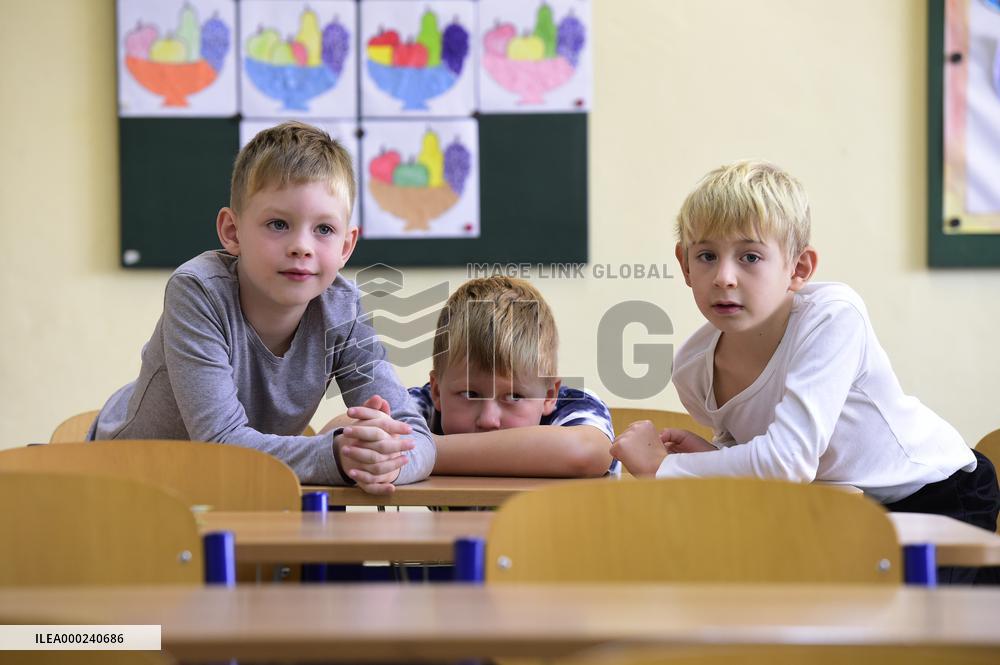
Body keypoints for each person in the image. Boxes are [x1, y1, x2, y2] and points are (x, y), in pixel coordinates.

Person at [611, 160, 998, 542]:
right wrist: (708, 454)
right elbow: (761, 448)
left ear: (798, 268)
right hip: (837, 506)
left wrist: (667, 467)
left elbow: (787, 461)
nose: (724, 278)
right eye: (707, 256)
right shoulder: (693, 370)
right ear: (685, 264)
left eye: (750, 257)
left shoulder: (832, 316)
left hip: (936, 495)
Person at [90, 121, 434, 494]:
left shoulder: (342, 309)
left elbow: (417, 437)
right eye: (278, 224)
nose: (301, 246)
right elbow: (221, 445)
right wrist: (337, 456)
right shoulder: (197, 291)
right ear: (232, 232)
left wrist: (385, 460)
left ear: (346, 247)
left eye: (323, 230)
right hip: (127, 481)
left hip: (237, 488)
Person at [341, 276, 616, 477]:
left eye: (514, 397)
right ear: (437, 391)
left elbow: (585, 453)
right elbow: (340, 431)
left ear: (549, 395)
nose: (488, 419)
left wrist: (423, 451)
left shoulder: (574, 408)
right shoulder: (425, 407)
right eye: (470, 394)